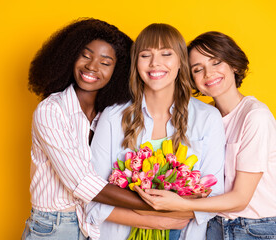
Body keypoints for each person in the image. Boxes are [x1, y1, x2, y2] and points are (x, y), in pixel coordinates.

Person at [21, 18, 187, 240]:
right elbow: (82, 183)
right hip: (53, 226)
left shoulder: (110, 115)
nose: (92, 66)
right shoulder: (51, 110)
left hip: (92, 225)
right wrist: (157, 205)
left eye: (105, 62)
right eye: (86, 56)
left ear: (117, 70)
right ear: (70, 56)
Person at [135, 31, 276, 240]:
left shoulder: (255, 116)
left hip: (257, 229)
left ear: (234, 65)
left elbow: (240, 199)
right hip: (214, 226)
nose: (208, 74)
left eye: (216, 63)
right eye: (198, 69)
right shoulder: (205, 117)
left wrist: (181, 204)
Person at [85, 24, 225, 240]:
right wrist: (155, 219)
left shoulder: (207, 117)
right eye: (145, 55)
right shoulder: (113, 116)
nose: (155, 63)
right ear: (136, 63)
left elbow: (212, 201)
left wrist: (138, 204)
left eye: (166, 54)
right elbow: (93, 197)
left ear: (181, 62)